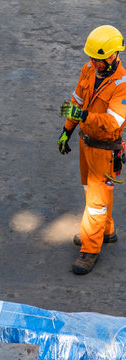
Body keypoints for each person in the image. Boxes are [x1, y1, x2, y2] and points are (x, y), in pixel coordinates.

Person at [58, 25, 126, 275]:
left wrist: (84, 116)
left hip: (105, 150)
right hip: (86, 144)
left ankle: (90, 249)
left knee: (96, 203)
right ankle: (106, 231)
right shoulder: (87, 70)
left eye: (99, 59)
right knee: (92, 192)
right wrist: (67, 130)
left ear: (113, 55)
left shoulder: (121, 85)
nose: (94, 63)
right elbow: (76, 101)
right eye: (92, 59)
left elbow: (113, 122)